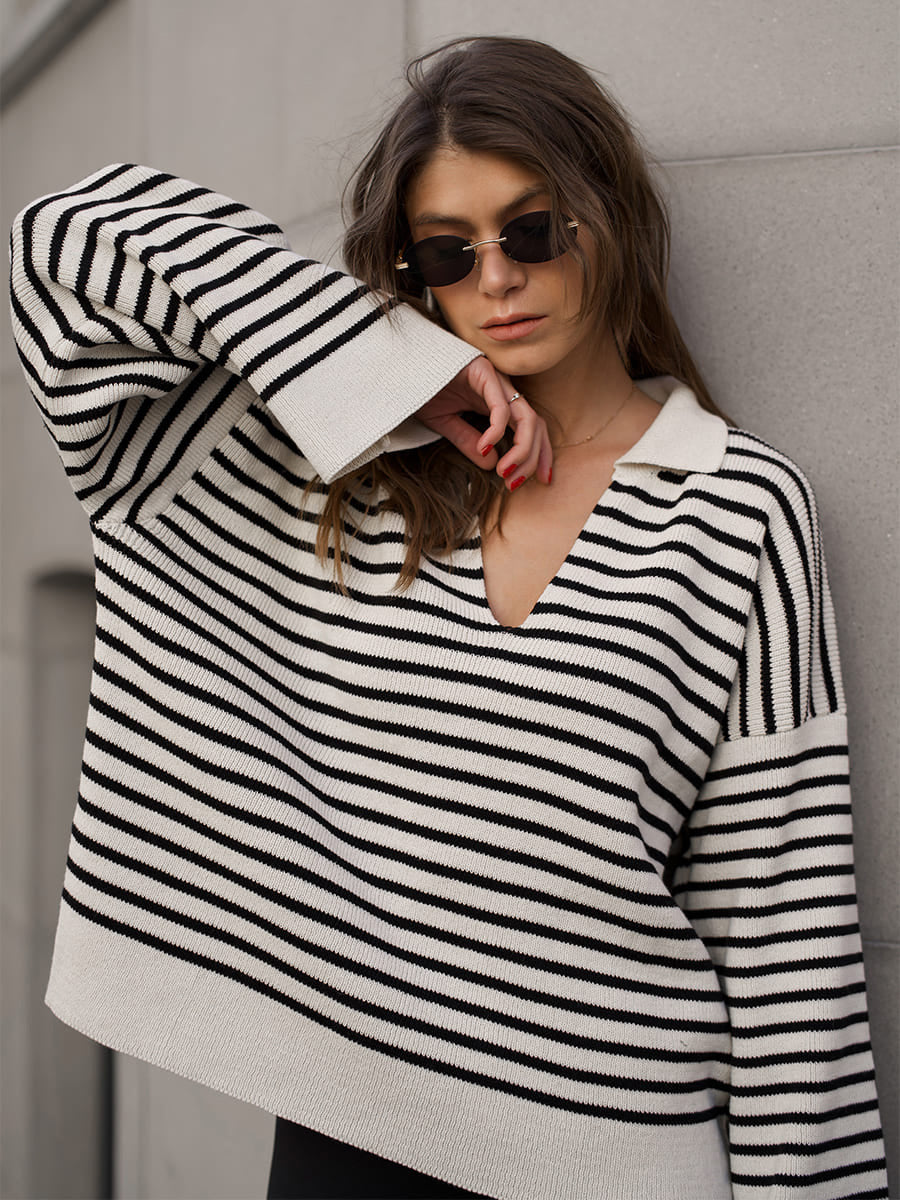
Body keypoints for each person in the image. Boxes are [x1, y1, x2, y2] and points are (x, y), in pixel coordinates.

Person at [9, 34, 888, 1200]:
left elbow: (784, 927)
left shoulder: (739, 508)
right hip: (343, 1147)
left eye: (532, 230)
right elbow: (60, 248)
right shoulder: (324, 472)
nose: (497, 279)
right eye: (447, 252)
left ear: (610, 216)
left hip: (617, 1154)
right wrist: (384, 367)